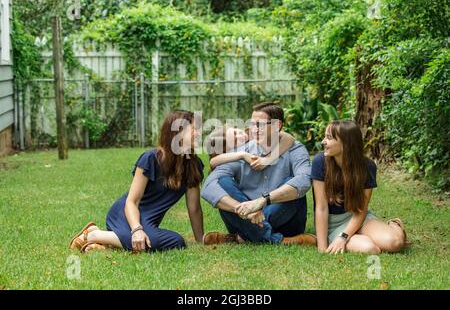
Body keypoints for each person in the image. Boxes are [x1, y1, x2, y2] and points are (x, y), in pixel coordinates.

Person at [69, 110, 205, 253]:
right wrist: (137, 230)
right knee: (154, 240)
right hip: (126, 214)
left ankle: (107, 242)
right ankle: (93, 235)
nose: (199, 134)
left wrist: (200, 240)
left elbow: (194, 208)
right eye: (194, 129)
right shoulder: (151, 158)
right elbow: (131, 201)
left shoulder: (194, 166)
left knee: (176, 242)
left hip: (149, 223)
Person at [201, 102, 317, 246]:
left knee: (291, 182)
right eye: (251, 124)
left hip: (285, 221)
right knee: (223, 182)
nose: (254, 129)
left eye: (259, 124)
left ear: (277, 125)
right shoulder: (243, 152)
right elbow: (209, 187)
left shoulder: (295, 150)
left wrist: (262, 201)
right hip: (248, 216)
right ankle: (279, 240)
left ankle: (241, 237)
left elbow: (305, 180)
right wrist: (247, 211)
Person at [312, 120, 408, 254]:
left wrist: (344, 237)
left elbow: (361, 210)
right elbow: (321, 208)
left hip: (358, 218)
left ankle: (394, 225)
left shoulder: (367, 167)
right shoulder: (319, 162)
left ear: (346, 143)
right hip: (333, 224)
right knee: (370, 249)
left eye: (329, 138)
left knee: (395, 243)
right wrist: (322, 248)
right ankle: (365, 237)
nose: (323, 141)